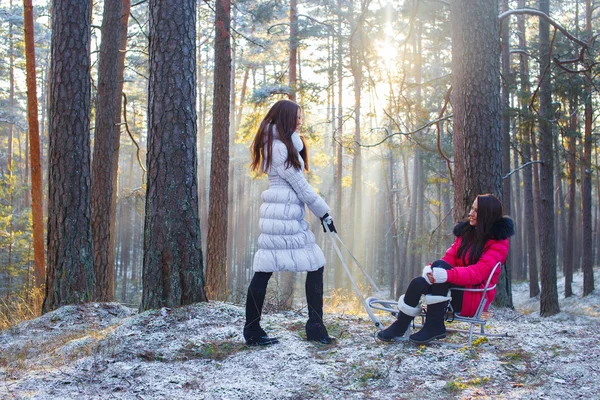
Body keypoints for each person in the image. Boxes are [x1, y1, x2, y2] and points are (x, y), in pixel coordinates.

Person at [243, 99, 337, 346]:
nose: (299, 120)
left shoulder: (280, 145)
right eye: (296, 117)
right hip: (282, 215)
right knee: (311, 264)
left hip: (282, 213)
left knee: (268, 268)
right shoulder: (280, 148)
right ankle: (313, 327)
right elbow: (300, 185)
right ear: (285, 118)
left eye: (300, 117)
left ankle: (254, 329)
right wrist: (324, 213)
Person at [377, 194, 514, 344]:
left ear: (486, 215)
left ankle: (434, 326)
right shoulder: (467, 233)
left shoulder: (498, 242)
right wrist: (430, 270)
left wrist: (447, 275)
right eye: (472, 208)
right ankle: (401, 325)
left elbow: (478, 273)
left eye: (476, 210)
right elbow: (449, 258)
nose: (470, 213)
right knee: (419, 282)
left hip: (473, 296)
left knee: (440, 269)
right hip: (454, 290)